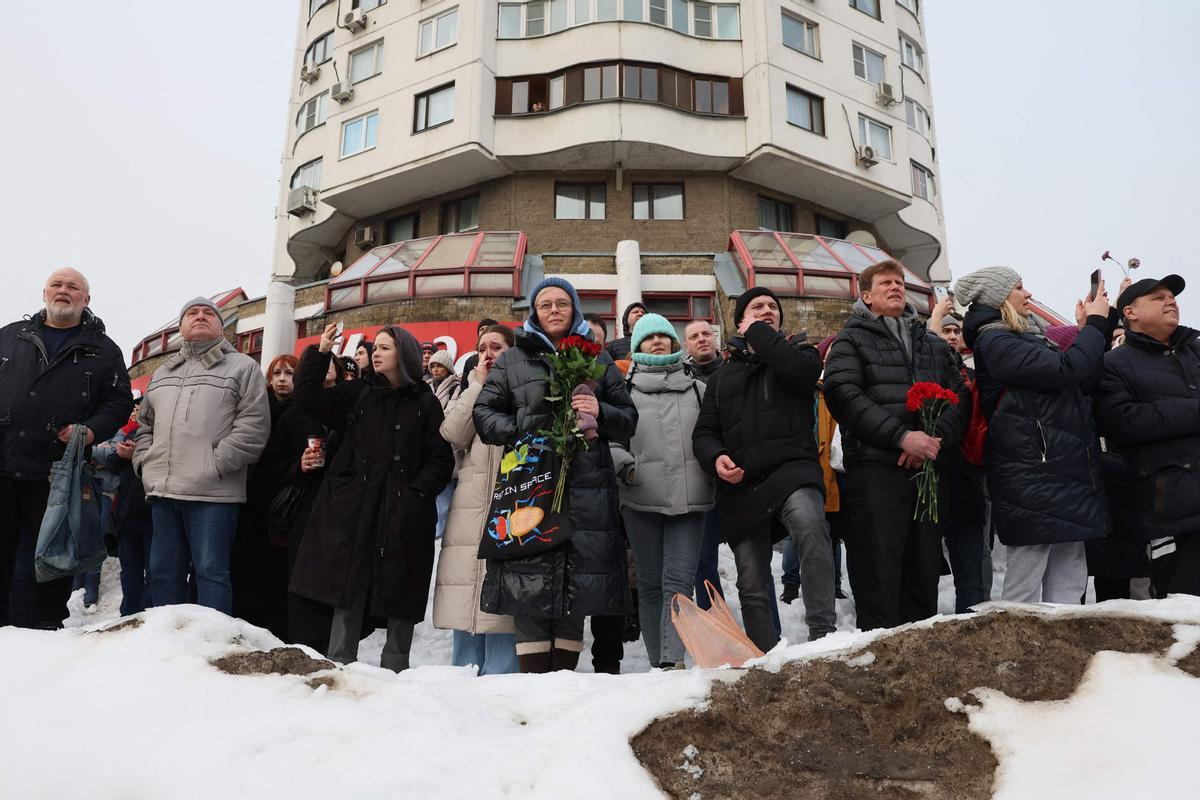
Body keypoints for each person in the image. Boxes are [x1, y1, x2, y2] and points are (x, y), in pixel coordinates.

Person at [474, 277, 637, 673]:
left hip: (586, 489)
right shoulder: (513, 359)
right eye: (544, 304)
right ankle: (533, 689)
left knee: (575, 585)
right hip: (529, 487)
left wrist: (600, 412)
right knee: (527, 578)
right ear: (534, 312)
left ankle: (564, 686)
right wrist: (523, 428)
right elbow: (484, 414)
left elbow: (629, 419)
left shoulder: (596, 358)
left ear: (574, 309)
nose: (553, 311)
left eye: (561, 303)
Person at [290, 323, 453, 671]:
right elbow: (307, 398)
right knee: (349, 584)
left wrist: (416, 493)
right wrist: (320, 353)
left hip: (404, 512)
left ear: (404, 355)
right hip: (356, 510)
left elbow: (440, 459)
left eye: (384, 347)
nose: (375, 352)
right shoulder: (360, 392)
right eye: (374, 347)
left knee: (400, 586)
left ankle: (395, 669)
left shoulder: (426, 402)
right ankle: (340, 665)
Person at [824, 261, 969, 631]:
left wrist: (936, 441)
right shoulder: (850, 340)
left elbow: (960, 397)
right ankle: (880, 652)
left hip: (928, 470)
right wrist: (901, 437)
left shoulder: (932, 343)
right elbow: (844, 395)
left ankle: (921, 650)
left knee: (923, 565)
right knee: (879, 565)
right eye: (886, 283)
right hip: (876, 470)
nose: (896, 288)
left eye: (900, 282)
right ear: (866, 295)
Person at [693, 287, 837, 649]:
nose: (767, 310)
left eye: (773, 307)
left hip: (793, 470)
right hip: (743, 486)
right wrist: (715, 458)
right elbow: (705, 432)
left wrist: (759, 331)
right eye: (757, 307)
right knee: (752, 580)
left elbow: (798, 373)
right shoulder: (722, 377)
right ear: (741, 320)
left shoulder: (801, 355)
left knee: (810, 527)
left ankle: (823, 634)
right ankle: (764, 655)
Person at [958, 266, 1111, 604]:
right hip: (1031, 470)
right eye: (1018, 287)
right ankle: (1017, 649)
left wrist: (1090, 328)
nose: (1027, 294)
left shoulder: (1029, 337)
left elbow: (1082, 380)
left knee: (1070, 569)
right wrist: (1095, 326)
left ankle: (1064, 647)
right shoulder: (995, 339)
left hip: (1058, 465)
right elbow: (1066, 369)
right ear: (998, 298)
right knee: (1027, 574)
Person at [0, 268, 133, 629]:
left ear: (85, 300)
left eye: (73, 287)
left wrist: (91, 430)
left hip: (58, 474)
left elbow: (120, 402)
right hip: (4, 464)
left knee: (47, 560)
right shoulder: (10, 336)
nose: (64, 291)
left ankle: (40, 631)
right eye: (57, 285)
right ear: (44, 293)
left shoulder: (103, 349)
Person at [134, 297, 270, 615]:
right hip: (164, 492)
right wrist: (145, 462)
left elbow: (254, 428)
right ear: (181, 326)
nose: (200, 316)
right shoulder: (162, 372)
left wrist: (215, 465)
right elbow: (144, 426)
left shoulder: (243, 367)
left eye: (208, 313)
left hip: (214, 494)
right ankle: (166, 648)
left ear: (221, 326)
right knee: (163, 575)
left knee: (211, 575)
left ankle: (210, 653)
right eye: (192, 313)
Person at [611, 314, 714, 668]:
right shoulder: (622, 392)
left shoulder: (700, 390)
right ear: (636, 345)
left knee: (679, 581)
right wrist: (625, 465)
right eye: (648, 337)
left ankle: (673, 661)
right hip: (639, 497)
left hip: (691, 499)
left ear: (674, 342)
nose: (656, 341)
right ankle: (659, 664)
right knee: (651, 584)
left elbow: (713, 436)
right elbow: (608, 441)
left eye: (663, 335)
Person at [1095, 275, 1199, 597]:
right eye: (1158, 298)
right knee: (1184, 617)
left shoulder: (1195, 353)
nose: (1171, 301)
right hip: (1171, 511)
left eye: (1172, 296)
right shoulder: (1112, 364)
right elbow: (1124, 422)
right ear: (1130, 313)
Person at [433, 325, 520, 675]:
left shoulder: (524, 389)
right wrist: (477, 386)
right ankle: (462, 675)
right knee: (465, 589)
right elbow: (452, 434)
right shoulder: (472, 389)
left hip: (511, 501)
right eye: (482, 347)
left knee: (503, 602)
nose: (487, 353)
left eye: (496, 347)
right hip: (470, 504)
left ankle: (501, 679)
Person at [258, 352, 347, 653]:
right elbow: (270, 465)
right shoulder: (292, 415)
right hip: (304, 508)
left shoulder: (354, 407)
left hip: (341, 507)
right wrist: (299, 464)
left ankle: (328, 645)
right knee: (298, 577)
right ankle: (300, 645)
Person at [929, 304, 990, 613]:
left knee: (972, 572)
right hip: (929, 478)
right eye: (945, 330)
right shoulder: (922, 366)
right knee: (925, 568)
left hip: (966, 479)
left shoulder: (973, 375)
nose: (951, 336)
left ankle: (972, 624)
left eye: (955, 330)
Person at [681, 319, 726, 608]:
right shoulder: (680, 381)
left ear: (716, 339)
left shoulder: (736, 372)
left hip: (737, 476)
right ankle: (714, 618)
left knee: (752, 561)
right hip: (699, 477)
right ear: (686, 345)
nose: (701, 339)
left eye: (706, 333)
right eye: (694, 336)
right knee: (703, 558)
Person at [106, 403, 154, 616]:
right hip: (127, 514)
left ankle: (148, 613)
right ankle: (129, 614)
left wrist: (136, 455)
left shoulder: (165, 434)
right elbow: (111, 463)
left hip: (154, 513)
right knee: (130, 571)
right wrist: (122, 454)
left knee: (155, 571)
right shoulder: (133, 432)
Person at [427, 349, 461, 540]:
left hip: (449, 449)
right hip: (428, 448)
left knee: (445, 496)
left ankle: (440, 533)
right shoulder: (426, 386)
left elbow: (450, 415)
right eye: (432, 365)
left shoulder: (456, 387)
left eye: (439, 365)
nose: (435, 369)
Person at [458, 318, 501, 393]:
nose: (484, 330)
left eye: (488, 328)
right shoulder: (470, 361)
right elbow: (464, 389)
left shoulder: (507, 357)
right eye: (482, 329)